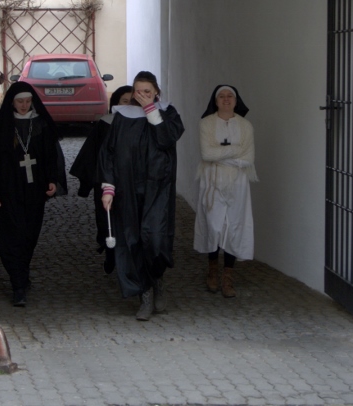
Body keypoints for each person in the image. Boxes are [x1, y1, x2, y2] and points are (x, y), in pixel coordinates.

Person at [99, 71, 185, 320]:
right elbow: (109, 153)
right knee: (132, 241)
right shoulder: (122, 117)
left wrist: (151, 110)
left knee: (155, 239)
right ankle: (145, 294)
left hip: (158, 189)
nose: (142, 96)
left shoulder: (168, 113)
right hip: (127, 189)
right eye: (138, 91)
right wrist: (108, 188)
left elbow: (167, 139)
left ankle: (157, 279)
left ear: (156, 91)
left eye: (147, 91)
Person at [0, 81, 62, 307]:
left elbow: (51, 155)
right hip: (9, 190)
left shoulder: (40, 124)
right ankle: (18, 285)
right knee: (10, 236)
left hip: (35, 190)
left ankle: (22, 274)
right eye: (20, 101)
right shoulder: (5, 125)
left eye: (27, 101)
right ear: (12, 103)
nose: (24, 105)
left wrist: (52, 179)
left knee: (29, 235)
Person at [193, 85, 257, 298]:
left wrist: (220, 155)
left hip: (238, 183)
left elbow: (248, 159)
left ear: (237, 101)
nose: (226, 99)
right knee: (213, 225)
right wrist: (236, 151)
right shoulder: (206, 123)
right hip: (212, 180)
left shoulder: (246, 126)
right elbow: (207, 154)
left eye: (230, 96)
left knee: (234, 226)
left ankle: (228, 276)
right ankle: (212, 269)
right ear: (215, 101)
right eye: (222, 96)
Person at [69, 85, 133, 274]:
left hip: (131, 183)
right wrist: (87, 184)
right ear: (116, 103)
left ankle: (129, 258)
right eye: (124, 101)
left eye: (132, 101)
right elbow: (91, 155)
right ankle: (110, 253)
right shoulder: (105, 124)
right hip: (107, 182)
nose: (128, 105)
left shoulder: (141, 124)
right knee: (108, 220)